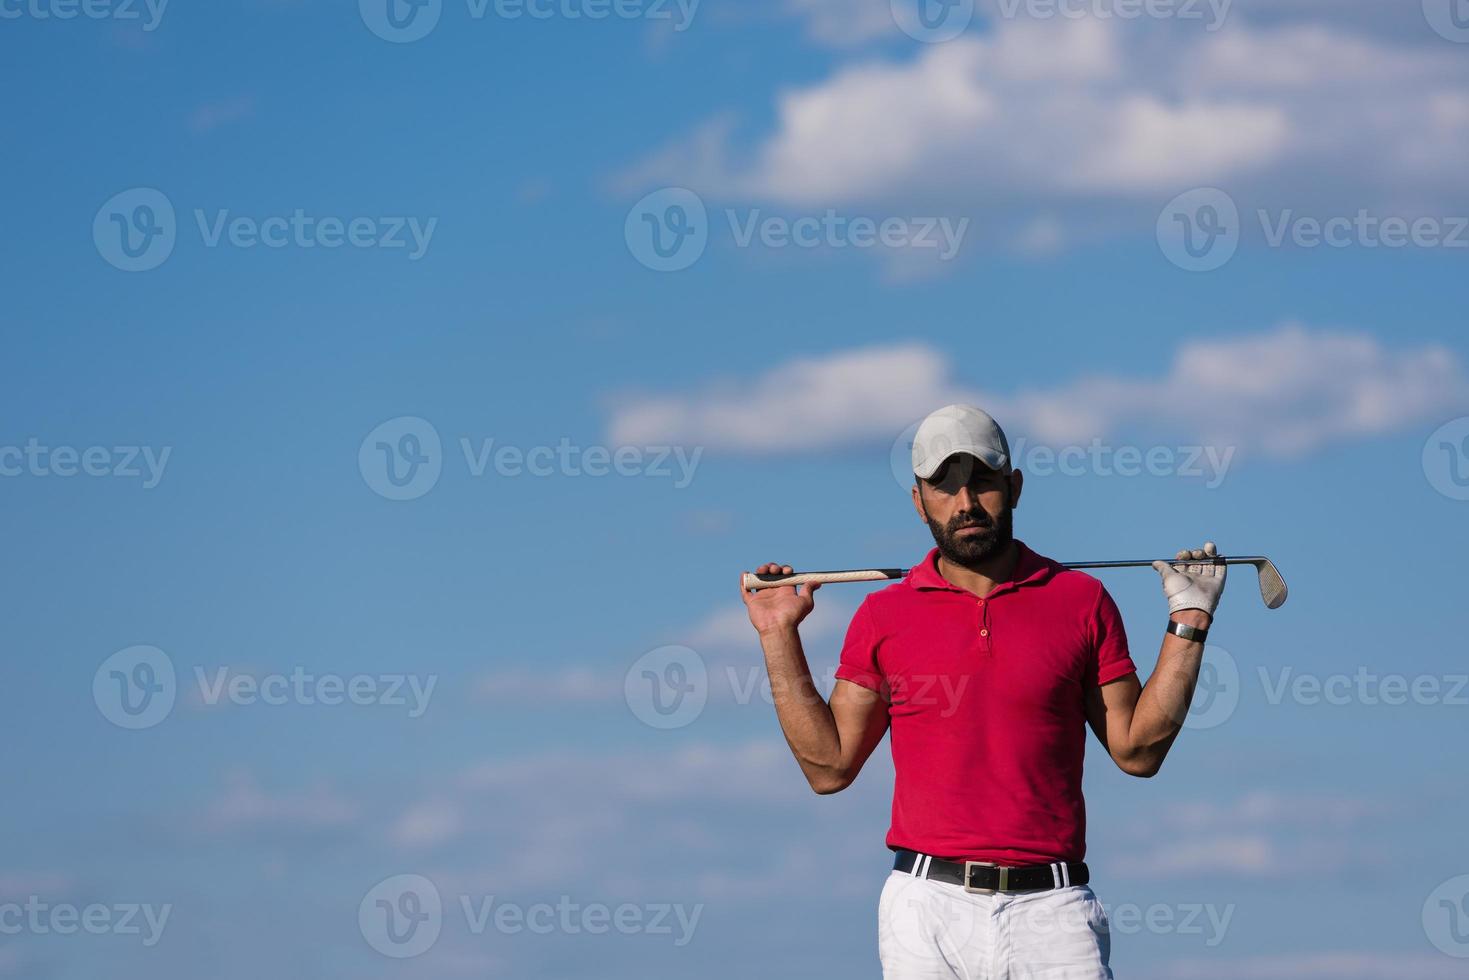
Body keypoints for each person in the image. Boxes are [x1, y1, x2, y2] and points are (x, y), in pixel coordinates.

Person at [740, 404, 1227, 979]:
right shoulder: (882, 615)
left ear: (1014, 487)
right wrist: (777, 636)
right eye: (944, 487)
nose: (965, 503)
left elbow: (1137, 751)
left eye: (982, 482)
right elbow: (829, 767)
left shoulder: (1081, 600)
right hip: (927, 909)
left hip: (1055, 911)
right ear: (919, 502)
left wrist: (1189, 620)